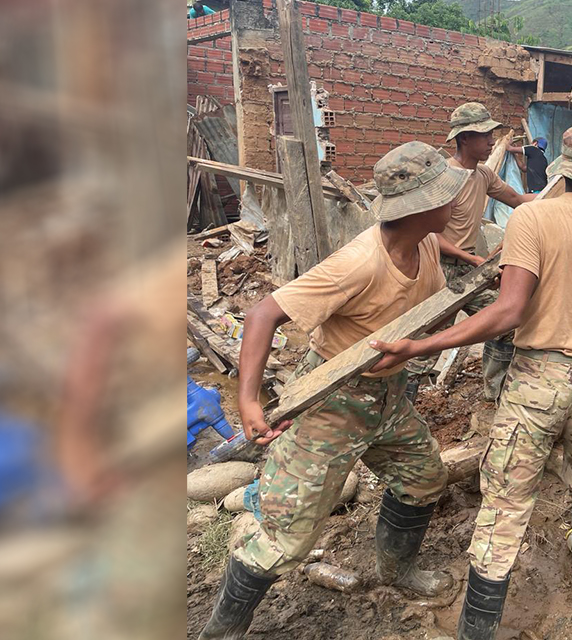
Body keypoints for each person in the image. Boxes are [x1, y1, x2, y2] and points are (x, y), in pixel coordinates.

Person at [369, 123, 572, 640]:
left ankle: (477, 631)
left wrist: (423, 344)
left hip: (539, 380)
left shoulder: (534, 217)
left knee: (506, 504)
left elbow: (510, 310)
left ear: (565, 169)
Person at [198, 142, 468, 639]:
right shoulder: (358, 264)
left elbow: (440, 249)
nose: (456, 203)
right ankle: (222, 631)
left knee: (424, 476)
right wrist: (249, 400)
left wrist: (468, 258)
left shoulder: (424, 239)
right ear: (422, 207)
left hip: (388, 396)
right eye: (446, 197)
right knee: (288, 535)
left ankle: (395, 572)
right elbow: (263, 314)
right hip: (332, 399)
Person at [433, 102, 535, 402]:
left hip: (468, 267)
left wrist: (557, 196)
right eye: (485, 135)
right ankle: (400, 414)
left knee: (503, 325)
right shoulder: (444, 178)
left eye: (492, 135)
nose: (492, 142)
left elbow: (517, 199)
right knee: (427, 342)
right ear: (464, 138)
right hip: (439, 268)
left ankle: (494, 396)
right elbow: (430, 236)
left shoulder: (484, 176)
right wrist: (474, 258)